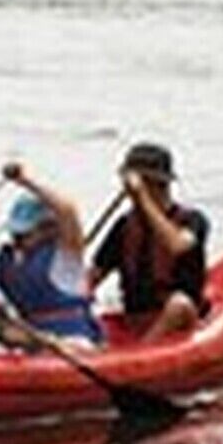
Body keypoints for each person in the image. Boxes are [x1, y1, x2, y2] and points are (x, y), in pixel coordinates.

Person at [86, 140, 209, 341]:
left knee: (179, 305)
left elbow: (177, 245)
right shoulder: (125, 226)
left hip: (177, 316)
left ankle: (143, 352)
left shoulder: (193, 220)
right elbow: (95, 274)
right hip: (135, 318)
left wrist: (143, 198)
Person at [0, 159, 103, 345]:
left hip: (72, 339)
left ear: (49, 229)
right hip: (29, 339)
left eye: (24, 234)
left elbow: (67, 210)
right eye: (15, 234)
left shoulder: (66, 255)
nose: (16, 240)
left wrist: (24, 181)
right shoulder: (6, 260)